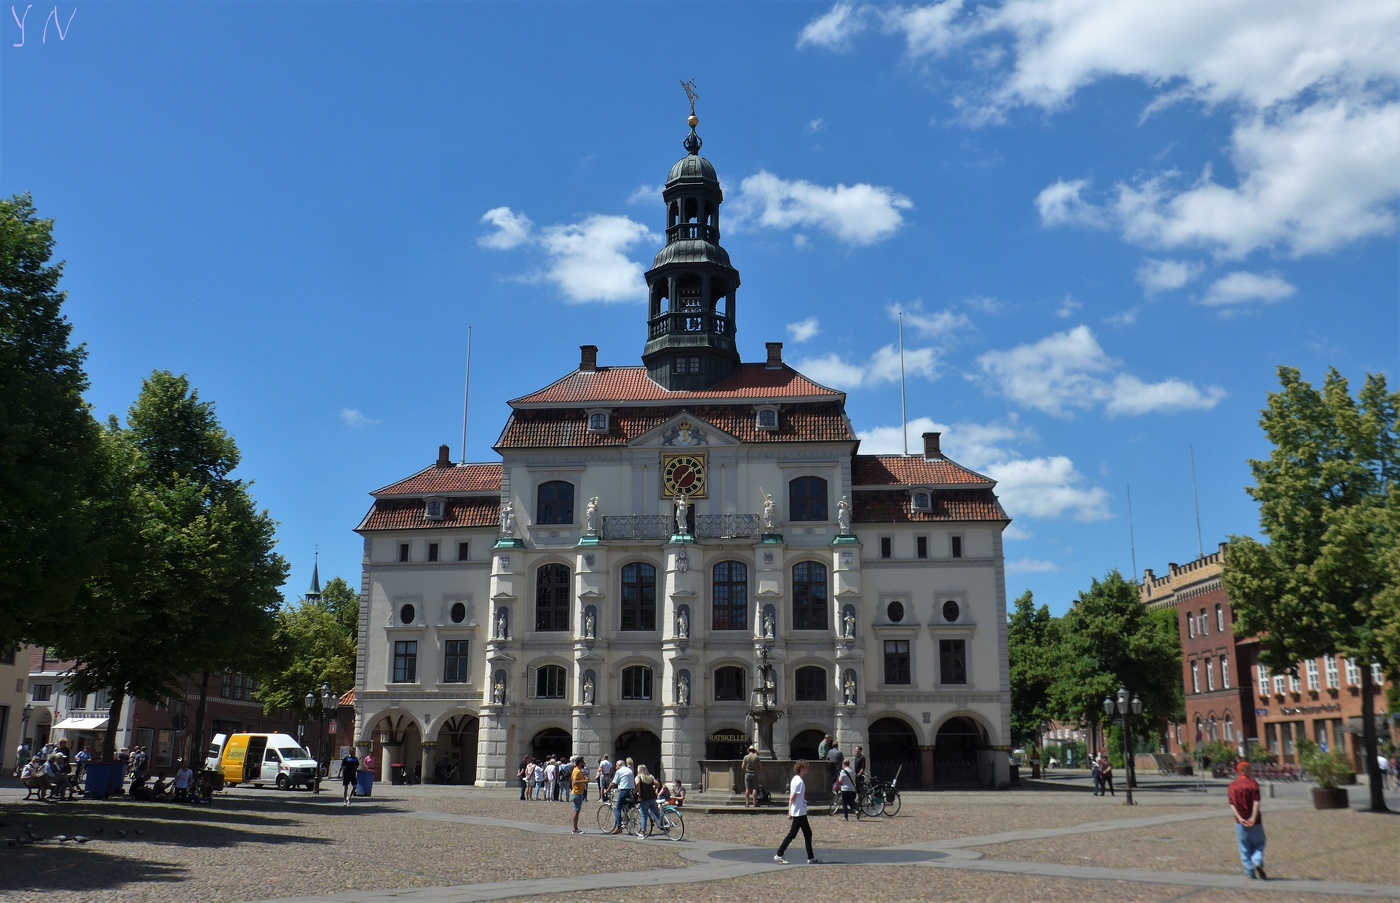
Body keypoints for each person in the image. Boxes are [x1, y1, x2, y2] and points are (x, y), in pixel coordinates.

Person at [774, 760, 820, 865]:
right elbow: (793, 797)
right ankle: (779, 854)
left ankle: (811, 857)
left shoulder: (795, 779)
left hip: (800, 811)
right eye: (806, 767)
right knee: (792, 834)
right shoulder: (799, 781)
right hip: (799, 812)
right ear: (801, 768)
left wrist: (790, 810)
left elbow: (793, 797)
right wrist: (790, 810)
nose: (807, 769)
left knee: (808, 833)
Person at [1229, 761, 1267, 879]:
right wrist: (1253, 818)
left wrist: (1240, 818)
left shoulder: (1233, 786)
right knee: (1260, 842)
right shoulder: (1253, 784)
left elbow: (1232, 804)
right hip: (1256, 822)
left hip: (1240, 822)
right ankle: (1257, 860)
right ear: (1248, 770)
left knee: (1244, 847)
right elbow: (1256, 802)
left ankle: (1250, 870)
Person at [609, 756, 635, 834]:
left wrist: (607, 790)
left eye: (616, 766)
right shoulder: (629, 770)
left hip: (624, 791)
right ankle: (626, 819)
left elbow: (613, 783)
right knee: (625, 806)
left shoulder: (619, 771)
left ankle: (619, 827)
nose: (616, 767)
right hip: (632, 791)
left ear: (620, 765)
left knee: (618, 809)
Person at [635, 764, 663, 838]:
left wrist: (639, 791)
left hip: (644, 798)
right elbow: (657, 784)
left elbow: (637, 783)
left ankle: (643, 833)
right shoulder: (650, 777)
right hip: (653, 797)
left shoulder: (638, 777)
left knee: (644, 816)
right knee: (657, 814)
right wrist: (654, 787)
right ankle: (664, 827)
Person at [569, 756, 589, 834]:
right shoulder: (577, 771)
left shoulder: (576, 770)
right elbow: (574, 782)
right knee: (576, 811)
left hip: (578, 792)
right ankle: (575, 828)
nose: (584, 763)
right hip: (577, 793)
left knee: (576, 810)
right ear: (580, 763)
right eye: (583, 762)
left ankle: (575, 828)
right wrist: (584, 781)